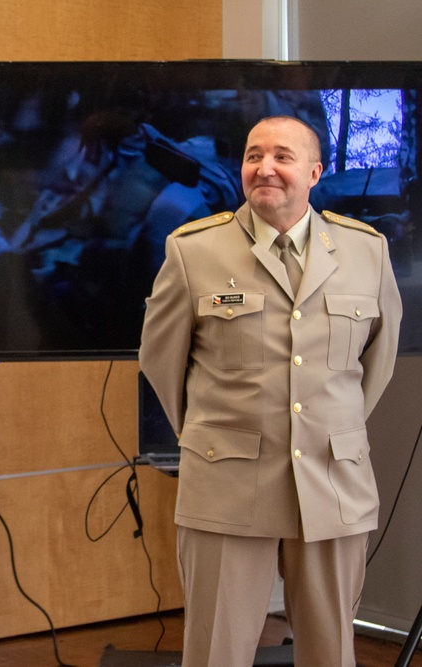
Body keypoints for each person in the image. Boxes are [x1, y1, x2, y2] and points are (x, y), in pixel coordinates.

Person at [139, 115, 402, 666]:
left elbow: (374, 364)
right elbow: (160, 362)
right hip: (228, 484)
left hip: (333, 483)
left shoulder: (366, 251)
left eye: (282, 156)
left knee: (332, 652)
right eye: (254, 156)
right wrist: (211, 436)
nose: (266, 169)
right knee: (218, 653)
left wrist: (333, 426)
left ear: (314, 172)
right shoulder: (194, 251)